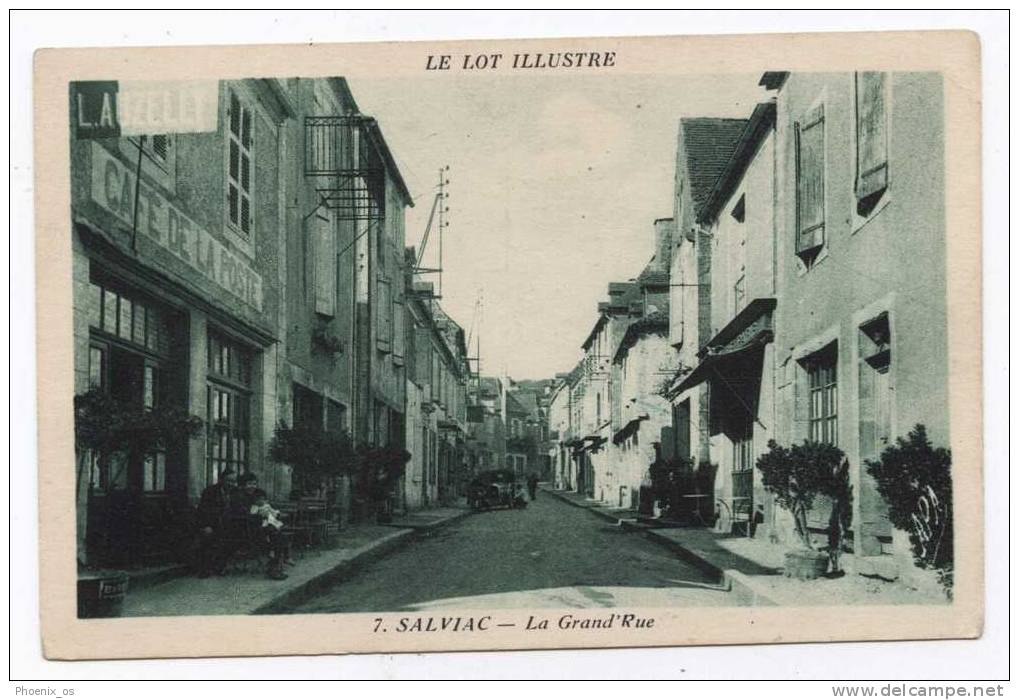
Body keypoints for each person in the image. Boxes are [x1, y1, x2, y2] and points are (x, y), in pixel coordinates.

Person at [237, 473, 290, 580]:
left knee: (277, 535)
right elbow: (243, 515)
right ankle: (275, 565)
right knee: (275, 536)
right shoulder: (239, 498)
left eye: (254, 484)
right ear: (243, 485)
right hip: (245, 530)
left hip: (259, 528)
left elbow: (267, 509)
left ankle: (276, 565)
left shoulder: (257, 496)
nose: (252, 486)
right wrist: (257, 516)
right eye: (249, 484)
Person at [195, 468, 237, 578]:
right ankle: (205, 568)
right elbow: (203, 510)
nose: (231, 484)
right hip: (212, 524)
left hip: (228, 525)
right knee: (207, 536)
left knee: (235, 538)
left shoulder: (235, 493)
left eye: (233, 481)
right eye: (229, 481)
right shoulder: (210, 492)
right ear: (221, 480)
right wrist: (206, 525)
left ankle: (220, 566)